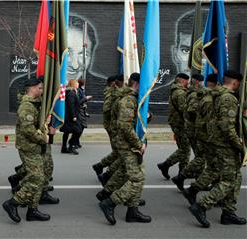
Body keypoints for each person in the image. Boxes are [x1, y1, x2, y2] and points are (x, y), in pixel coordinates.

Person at [186, 70, 246, 228]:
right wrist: (239, 146)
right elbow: (227, 127)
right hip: (224, 144)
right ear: (236, 83)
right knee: (229, 179)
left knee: (235, 176)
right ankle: (202, 205)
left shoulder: (212, 94)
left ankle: (228, 212)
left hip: (212, 141)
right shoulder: (228, 98)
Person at [98, 73, 150, 225]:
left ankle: (131, 211)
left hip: (127, 143)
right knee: (137, 178)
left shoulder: (130, 98)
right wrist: (138, 144)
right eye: (144, 84)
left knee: (124, 172)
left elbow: (131, 121)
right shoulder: (128, 100)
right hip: (128, 145)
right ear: (137, 84)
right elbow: (125, 126)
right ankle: (111, 202)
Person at [2, 77, 50, 223]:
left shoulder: (34, 104)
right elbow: (28, 130)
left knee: (39, 178)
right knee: (36, 178)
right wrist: (43, 138)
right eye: (40, 88)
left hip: (34, 146)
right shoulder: (27, 106)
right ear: (32, 88)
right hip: (29, 146)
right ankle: (13, 203)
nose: (42, 91)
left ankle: (32, 210)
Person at [172, 74, 217, 191]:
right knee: (201, 157)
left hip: (198, 130)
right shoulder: (194, 94)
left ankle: (196, 180)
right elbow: (191, 111)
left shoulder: (198, 93)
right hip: (196, 131)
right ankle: (182, 177)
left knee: (201, 157)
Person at [157, 73, 191, 179]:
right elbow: (183, 109)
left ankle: (182, 173)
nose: (188, 83)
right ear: (182, 81)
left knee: (184, 149)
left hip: (178, 123)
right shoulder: (180, 93)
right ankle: (166, 165)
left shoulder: (177, 90)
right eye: (186, 81)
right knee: (184, 150)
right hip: (180, 124)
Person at [60, 79, 82, 155]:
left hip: (69, 116)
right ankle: (71, 146)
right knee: (78, 130)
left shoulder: (72, 92)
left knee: (66, 132)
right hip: (71, 116)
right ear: (73, 84)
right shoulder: (71, 93)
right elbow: (71, 105)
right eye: (77, 83)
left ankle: (64, 148)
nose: (78, 84)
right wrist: (74, 116)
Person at [74, 79, 92, 148]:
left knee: (81, 127)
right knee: (80, 127)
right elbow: (79, 101)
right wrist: (86, 98)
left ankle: (76, 141)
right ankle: (74, 142)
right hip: (79, 111)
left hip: (82, 110)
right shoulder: (78, 90)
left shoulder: (81, 90)